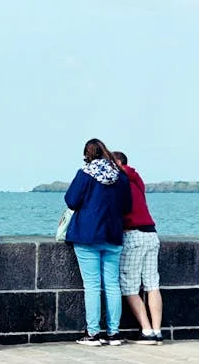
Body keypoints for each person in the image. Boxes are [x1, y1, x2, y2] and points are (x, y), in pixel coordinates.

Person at [65, 138, 131, 346]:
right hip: (113, 234)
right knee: (112, 285)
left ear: (88, 154)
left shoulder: (85, 173)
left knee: (92, 285)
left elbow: (72, 201)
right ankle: (114, 333)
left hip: (87, 235)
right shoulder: (120, 176)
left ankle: (93, 333)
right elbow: (127, 206)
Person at [113, 151, 164, 345]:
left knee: (129, 287)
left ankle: (147, 330)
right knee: (152, 284)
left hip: (133, 234)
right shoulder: (137, 179)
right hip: (151, 234)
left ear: (117, 162)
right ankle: (157, 331)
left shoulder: (119, 181)